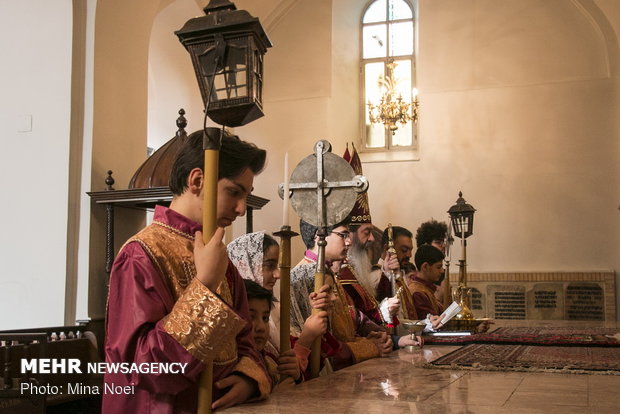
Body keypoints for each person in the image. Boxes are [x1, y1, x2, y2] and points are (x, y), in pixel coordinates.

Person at [103, 129, 271, 413]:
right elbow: (142, 368)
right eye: (234, 192)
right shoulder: (141, 254)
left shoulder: (219, 257)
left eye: (246, 195)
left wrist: (247, 380)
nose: (242, 208)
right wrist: (204, 285)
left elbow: (246, 342)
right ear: (196, 180)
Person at [290, 219, 393, 371]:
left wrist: (374, 336)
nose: (349, 241)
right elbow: (322, 345)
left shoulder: (329, 271)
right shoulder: (306, 275)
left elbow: (350, 317)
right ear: (319, 237)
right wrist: (370, 347)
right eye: (343, 235)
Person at [339, 144, 400, 328]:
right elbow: (356, 322)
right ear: (349, 234)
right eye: (366, 232)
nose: (372, 239)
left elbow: (370, 304)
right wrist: (383, 311)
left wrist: (386, 274)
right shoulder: (341, 274)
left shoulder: (355, 269)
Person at [243, 279, 327, 388]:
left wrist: (297, 377)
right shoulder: (230, 367)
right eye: (251, 317)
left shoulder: (269, 358)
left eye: (265, 318)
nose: (261, 327)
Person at [227, 232, 282, 350]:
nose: (278, 274)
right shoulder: (231, 309)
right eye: (270, 265)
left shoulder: (274, 309)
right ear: (245, 265)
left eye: (265, 318)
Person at [370, 226, 418, 321]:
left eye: (410, 250)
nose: (409, 255)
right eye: (404, 250)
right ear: (387, 248)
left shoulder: (400, 275)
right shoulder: (374, 276)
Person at [409, 244, 446, 328]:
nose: (442, 271)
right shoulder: (417, 292)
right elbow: (431, 324)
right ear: (425, 266)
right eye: (438, 267)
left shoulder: (425, 288)